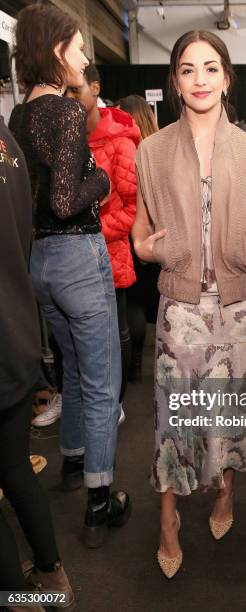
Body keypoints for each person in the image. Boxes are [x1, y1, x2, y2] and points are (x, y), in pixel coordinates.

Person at [132, 30, 246, 578]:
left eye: (210, 68)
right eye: (188, 69)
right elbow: (141, 235)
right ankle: (168, 519)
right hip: (181, 309)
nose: (200, 80)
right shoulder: (152, 149)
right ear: (174, 80)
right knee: (175, 416)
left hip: (241, 308)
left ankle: (225, 492)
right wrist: (151, 248)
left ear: (227, 76)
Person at [9, 4, 130, 549]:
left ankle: (74, 459)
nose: (85, 57)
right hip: (78, 255)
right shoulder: (62, 111)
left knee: (76, 368)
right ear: (58, 51)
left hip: (39, 265)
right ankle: (101, 500)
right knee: (103, 382)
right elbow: (63, 201)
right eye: (80, 47)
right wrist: (102, 181)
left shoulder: (18, 115)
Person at [0, 118, 73, 611]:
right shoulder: (7, 144)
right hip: (16, 331)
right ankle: (51, 574)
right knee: (14, 467)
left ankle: (19, 599)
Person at [68, 64, 141, 410]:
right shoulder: (67, 136)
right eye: (65, 91)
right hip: (73, 258)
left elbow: (132, 208)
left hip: (110, 255)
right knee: (80, 337)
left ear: (95, 88)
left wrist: (92, 230)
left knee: (115, 334)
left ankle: (117, 402)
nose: (70, 98)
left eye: (76, 90)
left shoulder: (120, 141)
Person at [118, 94, 161, 382]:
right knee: (160, 301)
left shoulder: (123, 148)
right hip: (160, 235)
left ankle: (133, 366)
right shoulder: (161, 148)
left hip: (129, 234)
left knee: (133, 302)